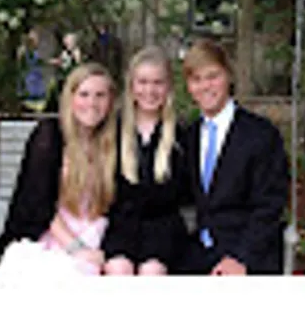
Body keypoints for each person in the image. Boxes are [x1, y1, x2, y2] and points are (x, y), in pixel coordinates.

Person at [0, 62, 117, 276]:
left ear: (111, 100)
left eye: (100, 95)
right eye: (84, 94)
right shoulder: (50, 137)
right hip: (52, 232)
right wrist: (76, 249)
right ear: (70, 98)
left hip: (97, 231)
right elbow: (39, 206)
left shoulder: (115, 142)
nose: (92, 103)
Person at [177, 38, 289, 275]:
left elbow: (269, 205)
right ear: (188, 86)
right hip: (197, 254)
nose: (205, 86)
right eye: (196, 79)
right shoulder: (188, 136)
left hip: (247, 255)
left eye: (212, 76)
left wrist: (241, 258)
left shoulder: (260, 135)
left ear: (228, 75)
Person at [101, 45, 189, 275]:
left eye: (158, 83)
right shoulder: (113, 129)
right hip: (121, 225)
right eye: (142, 82)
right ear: (131, 85)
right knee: (118, 268)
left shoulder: (181, 135)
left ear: (168, 87)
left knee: (152, 271)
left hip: (163, 228)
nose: (150, 90)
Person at [46, 32, 84, 112]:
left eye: (68, 42)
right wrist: (54, 61)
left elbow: (77, 63)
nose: (66, 44)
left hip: (71, 76)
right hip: (63, 76)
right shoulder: (65, 52)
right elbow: (61, 61)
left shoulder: (76, 51)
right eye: (66, 42)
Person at [17, 29, 47, 109]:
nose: (36, 41)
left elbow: (40, 61)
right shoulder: (23, 50)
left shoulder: (36, 51)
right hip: (28, 81)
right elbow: (21, 63)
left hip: (37, 81)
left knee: (39, 103)